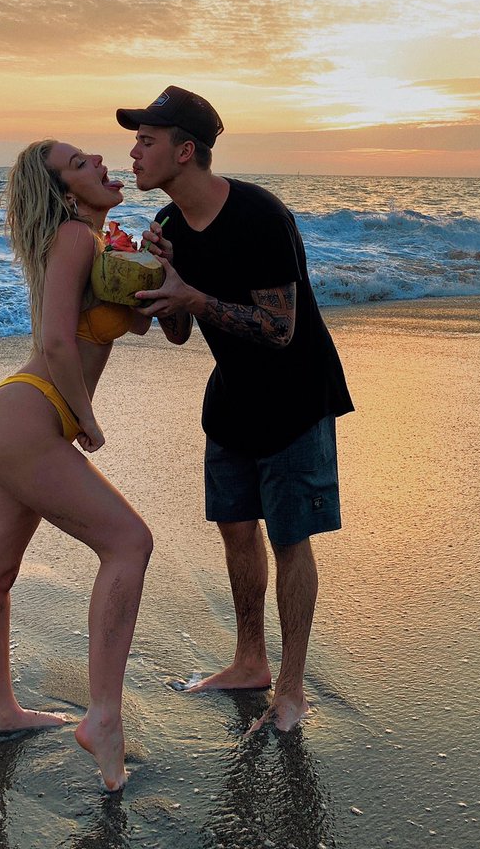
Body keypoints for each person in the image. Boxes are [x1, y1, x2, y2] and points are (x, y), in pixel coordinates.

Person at [115, 86, 354, 733]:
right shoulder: (166, 226)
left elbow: (279, 328)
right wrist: (156, 283)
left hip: (297, 396)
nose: (133, 153)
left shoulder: (259, 215)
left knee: (290, 539)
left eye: (146, 141)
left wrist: (191, 297)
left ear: (184, 151)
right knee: (235, 528)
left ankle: (292, 688)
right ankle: (250, 661)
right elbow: (179, 331)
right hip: (232, 399)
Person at [0, 139, 153, 791]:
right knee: (129, 542)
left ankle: (2, 715)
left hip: (12, 420)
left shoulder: (96, 247)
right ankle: (103, 716)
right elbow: (53, 339)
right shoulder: (74, 237)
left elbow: (143, 325)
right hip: (30, 416)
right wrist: (86, 419)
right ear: (66, 195)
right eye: (79, 164)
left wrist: (152, 269)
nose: (98, 160)